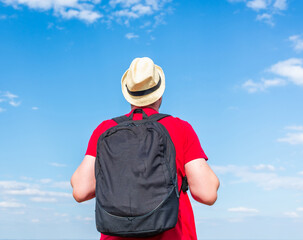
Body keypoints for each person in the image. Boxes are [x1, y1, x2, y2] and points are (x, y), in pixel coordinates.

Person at [71, 57, 220, 240]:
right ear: (159, 93)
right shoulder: (180, 128)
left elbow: (80, 191)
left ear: (128, 93)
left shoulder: (105, 129)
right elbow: (207, 193)